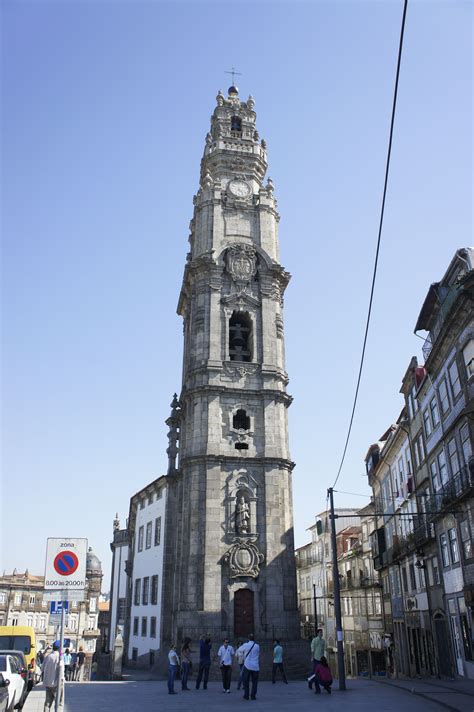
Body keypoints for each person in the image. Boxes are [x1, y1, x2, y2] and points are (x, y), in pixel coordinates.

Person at [236, 634, 260, 701]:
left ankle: (246, 696)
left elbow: (238, 650)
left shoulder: (245, 645)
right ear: (254, 638)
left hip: (247, 665)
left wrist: (243, 655)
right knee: (255, 682)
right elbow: (258, 654)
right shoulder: (257, 646)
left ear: (248, 638)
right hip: (255, 666)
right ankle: (253, 696)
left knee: (246, 681)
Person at [42, 642, 64, 711]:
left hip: (48, 683)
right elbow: (61, 672)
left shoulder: (48, 656)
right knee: (58, 704)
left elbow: (42, 668)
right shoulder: (59, 658)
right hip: (56, 684)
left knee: (47, 704)